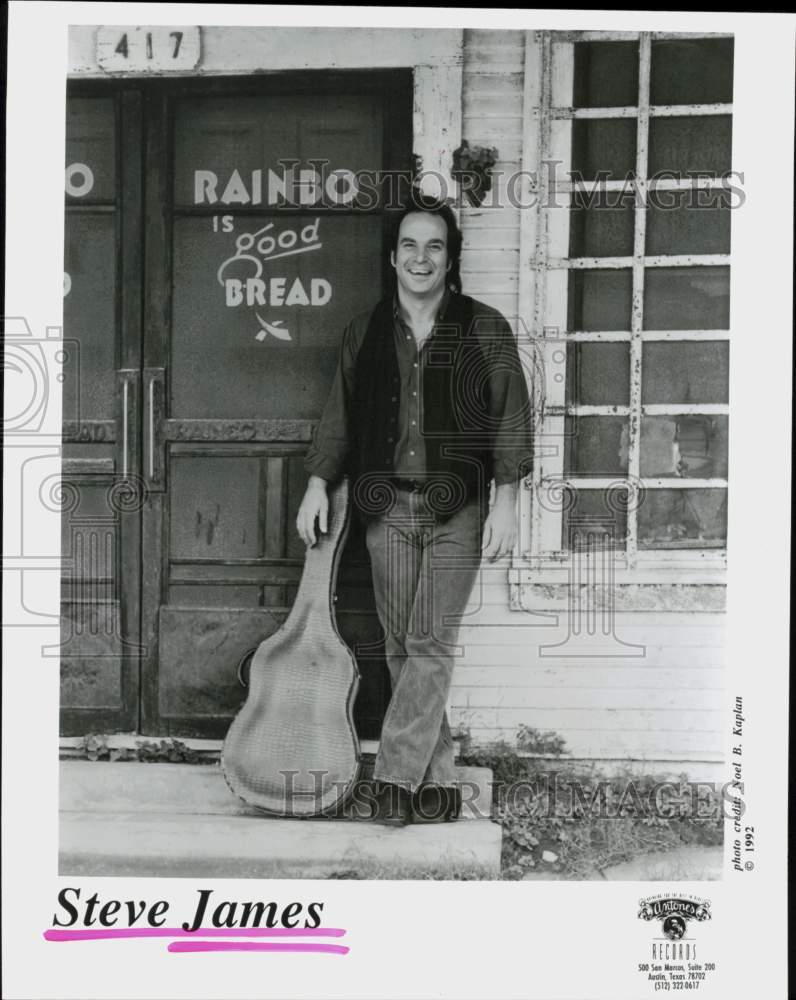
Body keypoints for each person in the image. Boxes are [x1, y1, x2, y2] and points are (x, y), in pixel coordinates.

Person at [296, 193, 532, 825]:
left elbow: (511, 418)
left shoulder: (485, 328)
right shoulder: (365, 331)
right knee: (402, 645)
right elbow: (339, 415)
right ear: (392, 257)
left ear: (450, 259)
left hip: (457, 508)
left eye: (434, 246)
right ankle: (440, 781)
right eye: (409, 245)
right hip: (386, 509)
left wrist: (506, 501)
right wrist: (318, 483)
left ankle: (394, 781)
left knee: (429, 639)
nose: (420, 257)